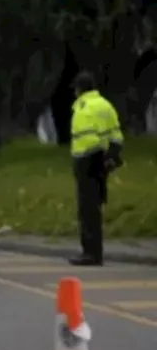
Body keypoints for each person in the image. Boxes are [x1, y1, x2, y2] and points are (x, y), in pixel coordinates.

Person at [67, 71, 124, 266]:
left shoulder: (83, 106)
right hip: (101, 161)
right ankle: (94, 251)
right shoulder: (105, 105)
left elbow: (83, 139)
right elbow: (115, 135)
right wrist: (113, 156)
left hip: (87, 161)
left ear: (80, 89)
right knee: (94, 206)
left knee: (87, 208)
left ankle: (90, 253)